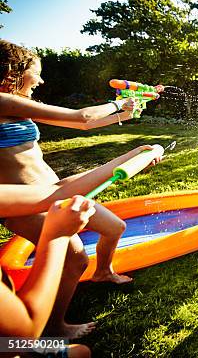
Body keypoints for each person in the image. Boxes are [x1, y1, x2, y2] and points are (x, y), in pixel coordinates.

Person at [0, 40, 161, 337]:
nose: (41, 80)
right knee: (74, 257)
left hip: (54, 187)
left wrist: (127, 112)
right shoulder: (2, 101)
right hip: (24, 203)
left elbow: (85, 126)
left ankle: (102, 273)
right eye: (37, 73)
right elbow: (81, 117)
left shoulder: (17, 103)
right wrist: (116, 104)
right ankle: (54, 325)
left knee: (114, 227)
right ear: (12, 74)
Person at [1, 196, 93, 358]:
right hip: (10, 345)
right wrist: (57, 234)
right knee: (81, 353)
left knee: (81, 352)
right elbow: (27, 333)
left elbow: (55, 190)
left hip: (5, 343)